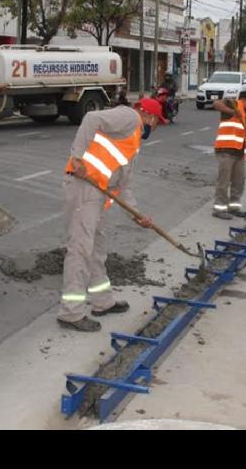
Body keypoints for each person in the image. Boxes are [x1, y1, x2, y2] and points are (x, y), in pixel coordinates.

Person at [58, 97, 167, 332]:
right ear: (149, 115)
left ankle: (102, 301)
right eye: (157, 121)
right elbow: (90, 118)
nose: (156, 127)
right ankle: (71, 313)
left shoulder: (132, 143)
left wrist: (137, 215)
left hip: (96, 195)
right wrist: (77, 158)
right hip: (83, 186)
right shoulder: (130, 117)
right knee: (80, 249)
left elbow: (123, 186)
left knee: (97, 249)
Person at [210, 90, 246, 220]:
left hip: (239, 153)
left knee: (239, 181)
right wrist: (232, 112)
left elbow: (244, 137)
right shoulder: (233, 104)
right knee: (224, 181)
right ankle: (219, 209)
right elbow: (216, 104)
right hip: (225, 150)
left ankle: (234, 207)